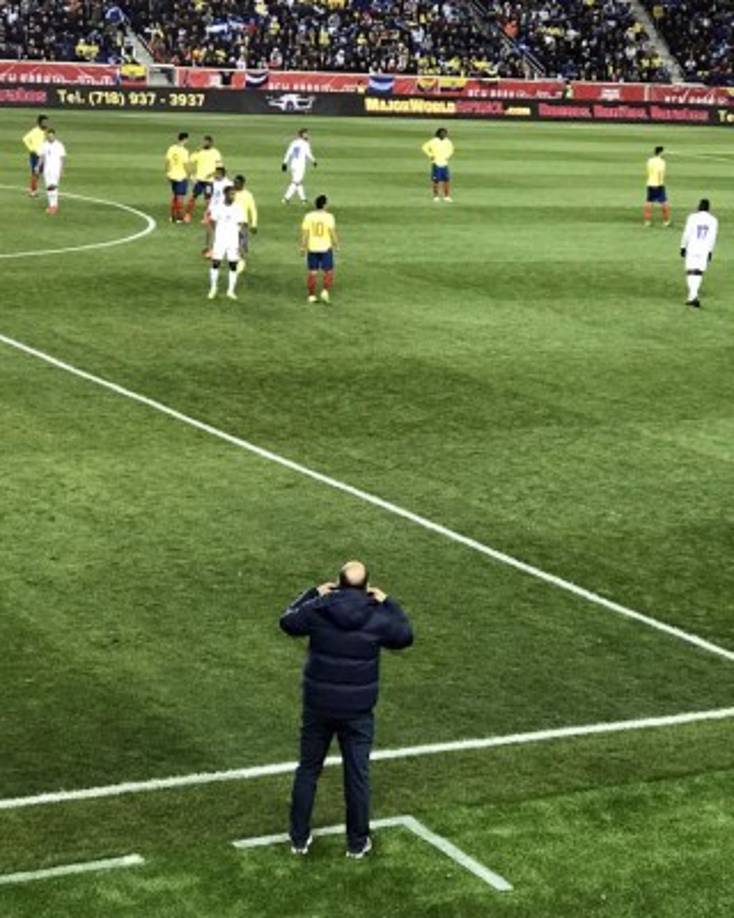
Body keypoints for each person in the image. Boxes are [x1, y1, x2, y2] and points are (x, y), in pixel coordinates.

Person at [280, 560, 413, 859]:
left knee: (308, 770)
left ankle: (299, 840)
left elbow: (287, 622)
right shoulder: (377, 615)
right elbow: (405, 635)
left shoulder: (319, 608)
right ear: (367, 587)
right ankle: (356, 843)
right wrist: (388, 602)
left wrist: (312, 593)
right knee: (357, 775)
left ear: (337, 583)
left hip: (319, 707)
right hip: (357, 711)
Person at [300, 194, 339, 304]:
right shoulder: (329, 217)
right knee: (328, 271)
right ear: (325, 205)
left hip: (312, 248)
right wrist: (336, 245)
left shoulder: (308, 216)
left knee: (312, 272)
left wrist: (302, 247)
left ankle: (311, 295)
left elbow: (305, 233)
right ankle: (325, 291)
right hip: (325, 248)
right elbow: (332, 232)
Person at [208, 185, 245, 301]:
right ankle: (213, 288)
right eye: (231, 194)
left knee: (233, 265)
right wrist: (217, 234)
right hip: (220, 240)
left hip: (232, 241)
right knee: (215, 263)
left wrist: (240, 244)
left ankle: (231, 290)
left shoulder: (238, 208)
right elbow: (212, 222)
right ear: (225, 194)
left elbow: (241, 225)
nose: (233, 196)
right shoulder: (217, 207)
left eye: (234, 194)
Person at [680, 199, 718, 308]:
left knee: (690, 272)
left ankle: (693, 296)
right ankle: (692, 297)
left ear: (699, 206)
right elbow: (712, 237)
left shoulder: (692, 217)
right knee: (698, 272)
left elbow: (687, 233)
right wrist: (710, 251)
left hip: (692, 247)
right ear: (708, 208)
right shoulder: (713, 220)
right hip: (704, 249)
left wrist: (683, 246)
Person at [186, 134, 223, 224]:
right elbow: (189, 161)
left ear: (211, 143)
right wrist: (191, 175)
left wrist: (212, 174)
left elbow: (219, 168)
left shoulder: (216, 153)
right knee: (193, 197)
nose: (205, 143)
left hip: (209, 182)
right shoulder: (199, 152)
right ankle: (188, 215)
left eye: (207, 142)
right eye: (204, 141)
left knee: (207, 200)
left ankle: (207, 217)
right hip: (199, 180)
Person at [203, 165, 233, 257]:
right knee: (210, 230)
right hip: (212, 209)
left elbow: (232, 198)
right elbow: (208, 197)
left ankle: (215, 250)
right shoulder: (212, 183)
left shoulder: (228, 184)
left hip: (222, 211)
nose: (215, 175)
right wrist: (207, 209)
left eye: (217, 173)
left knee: (218, 231)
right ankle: (209, 248)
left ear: (221, 174)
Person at [282, 128, 316, 205]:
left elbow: (288, 153)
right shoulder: (305, 144)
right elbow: (308, 154)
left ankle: (303, 199)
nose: (307, 135)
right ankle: (286, 198)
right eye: (306, 134)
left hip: (293, 165)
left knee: (298, 182)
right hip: (300, 166)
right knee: (296, 182)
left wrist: (284, 163)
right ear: (302, 135)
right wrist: (314, 161)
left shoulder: (293, 143)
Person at [233, 174, 258, 275]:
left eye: (237, 183)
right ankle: (238, 261)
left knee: (242, 245)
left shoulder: (248, 195)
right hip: (231, 223)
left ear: (242, 184)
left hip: (242, 223)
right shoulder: (231, 193)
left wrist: (254, 224)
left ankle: (241, 263)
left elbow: (253, 210)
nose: (235, 184)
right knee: (233, 245)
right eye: (234, 182)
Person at [422, 128, 454, 202]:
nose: (444, 135)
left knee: (446, 180)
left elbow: (451, 149)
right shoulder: (433, 141)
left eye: (445, 133)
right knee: (436, 181)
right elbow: (424, 147)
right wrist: (430, 155)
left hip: (445, 164)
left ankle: (447, 196)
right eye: (442, 133)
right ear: (438, 134)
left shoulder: (448, 141)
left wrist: (448, 156)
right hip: (436, 163)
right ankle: (436, 196)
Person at [39, 128, 66, 215]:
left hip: (55, 169)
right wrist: (37, 166)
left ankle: (54, 206)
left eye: (52, 136)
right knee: (48, 188)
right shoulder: (44, 145)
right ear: (47, 136)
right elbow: (42, 157)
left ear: (54, 135)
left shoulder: (59, 145)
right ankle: (52, 206)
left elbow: (62, 159)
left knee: (53, 187)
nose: (50, 137)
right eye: (49, 136)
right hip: (47, 170)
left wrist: (61, 170)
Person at [165, 131, 190, 223]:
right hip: (181, 176)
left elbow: (167, 162)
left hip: (172, 176)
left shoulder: (171, 148)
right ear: (185, 139)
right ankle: (181, 217)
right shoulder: (184, 151)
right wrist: (190, 175)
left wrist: (167, 173)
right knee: (180, 198)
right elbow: (185, 165)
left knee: (175, 196)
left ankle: (172, 217)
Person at [644, 145, 670, 227]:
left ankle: (647, 222)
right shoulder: (662, 162)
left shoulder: (649, 160)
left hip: (650, 183)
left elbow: (648, 171)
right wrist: (659, 183)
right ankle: (666, 221)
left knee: (649, 203)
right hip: (658, 185)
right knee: (664, 204)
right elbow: (660, 173)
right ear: (661, 152)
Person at [22, 114, 48, 198]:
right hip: (35, 155)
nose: (46, 123)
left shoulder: (44, 131)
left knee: (40, 173)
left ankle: (34, 190)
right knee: (35, 173)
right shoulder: (35, 131)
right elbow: (25, 139)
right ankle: (32, 192)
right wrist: (32, 149)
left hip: (42, 155)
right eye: (44, 122)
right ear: (40, 122)